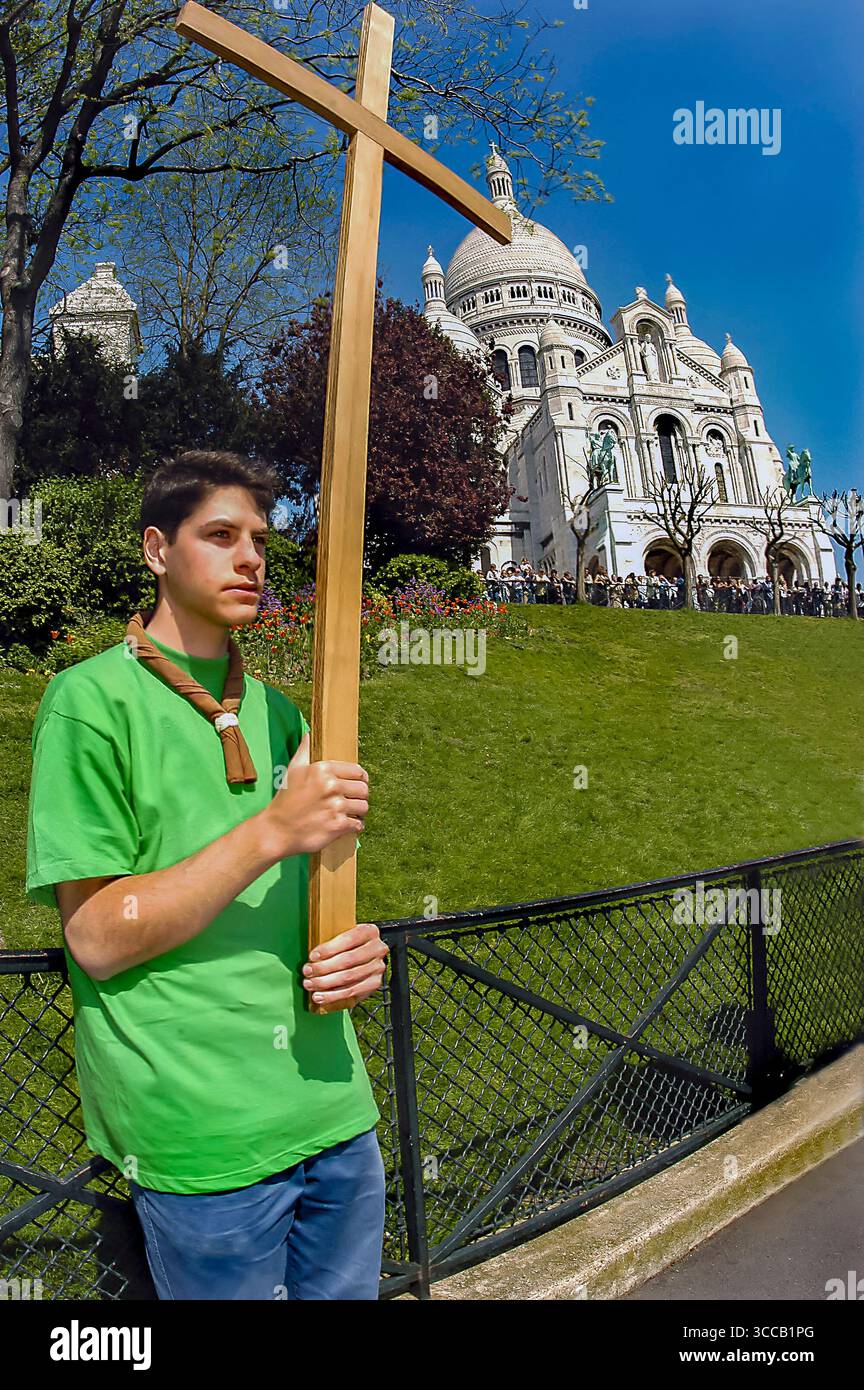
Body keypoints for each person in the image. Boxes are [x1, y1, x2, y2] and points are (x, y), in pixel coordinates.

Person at [25, 450, 388, 1301]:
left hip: (337, 1114)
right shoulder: (88, 702)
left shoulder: (289, 715)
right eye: (220, 535)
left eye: (260, 539)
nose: (252, 559)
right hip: (202, 1146)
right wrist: (270, 830)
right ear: (157, 549)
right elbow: (98, 939)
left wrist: (354, 945)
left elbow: (311, 900)